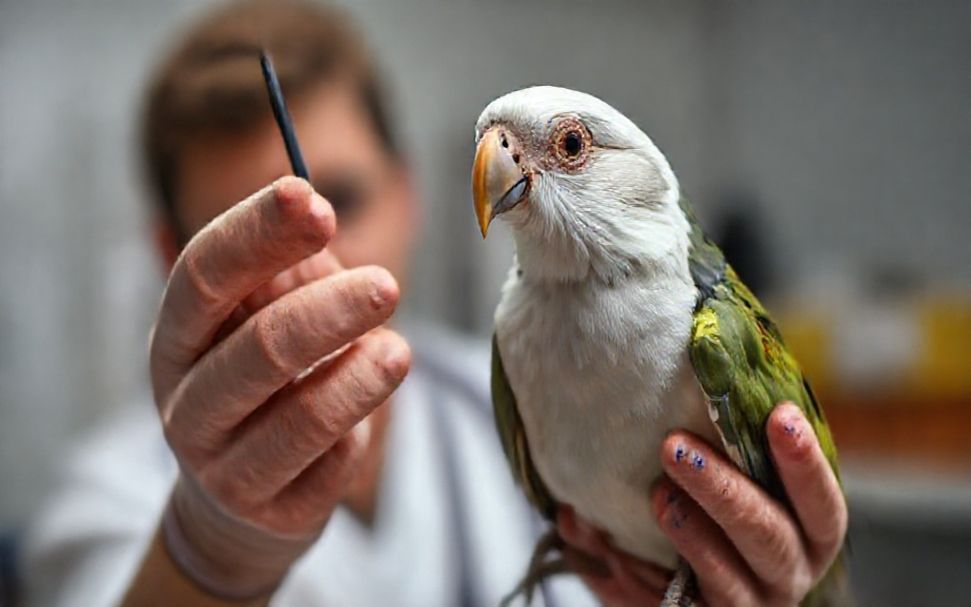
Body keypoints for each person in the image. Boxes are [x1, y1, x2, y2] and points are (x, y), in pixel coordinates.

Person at [22, 2, 848, 606]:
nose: (307, 254)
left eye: (338, 195)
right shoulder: (107, 496)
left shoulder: (493, 388)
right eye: (240, 229)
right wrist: (207, 553)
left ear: (411, 195)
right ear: (175, 260)